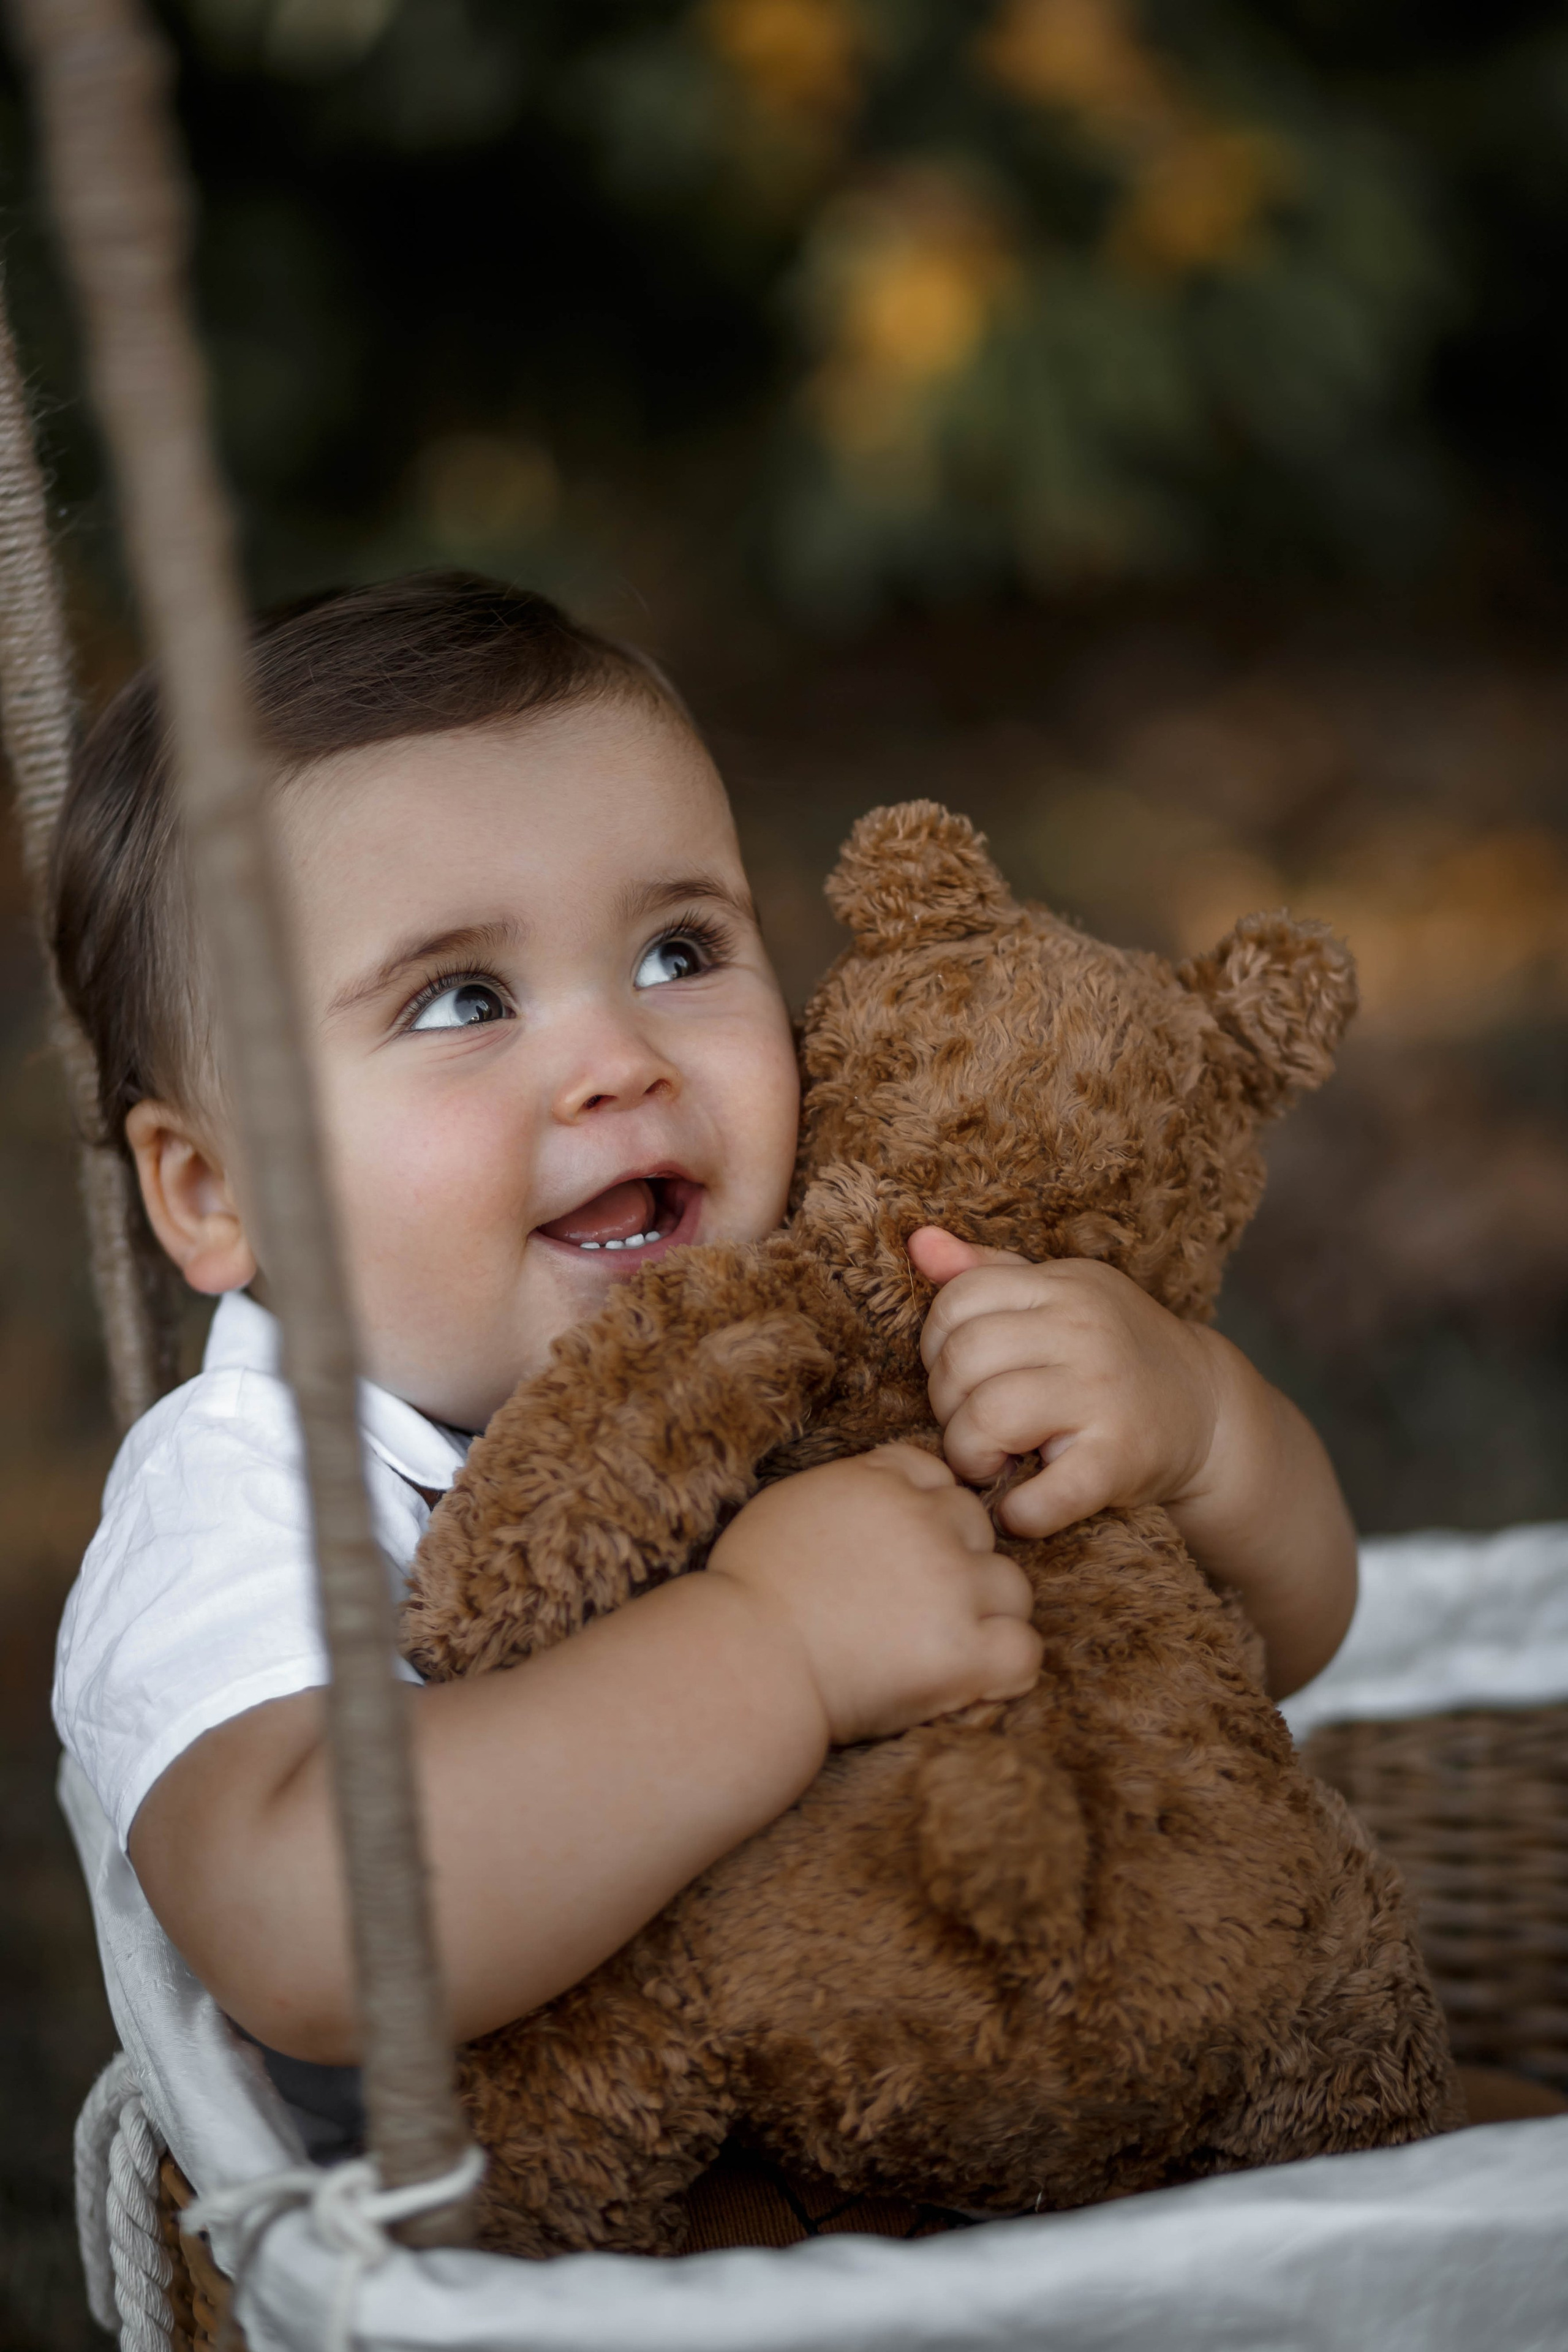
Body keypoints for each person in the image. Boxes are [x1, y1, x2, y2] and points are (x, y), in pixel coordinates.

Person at [50, 573, 1357, 2109]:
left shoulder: (850, 1327)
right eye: (461, 999)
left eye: (678, 953)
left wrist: (1202, 1426)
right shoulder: (246, 1492)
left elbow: (1273, 1649)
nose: (619, 1061)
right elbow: (305, 1928)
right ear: (215, 1191)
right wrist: (774, 1650)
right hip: (601, 2250)